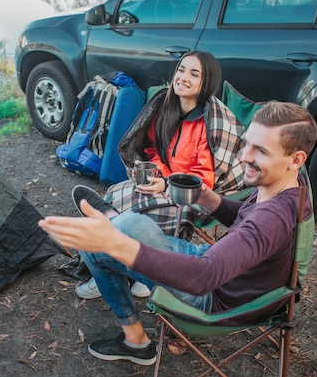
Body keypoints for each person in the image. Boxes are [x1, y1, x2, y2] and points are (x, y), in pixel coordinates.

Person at [39, 101, 317, 366]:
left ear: (296, 159)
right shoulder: (289, 183)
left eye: (261, 150)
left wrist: (116, 245)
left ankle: (135, 341)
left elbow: (203, 276)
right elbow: (243, 219)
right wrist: (209, 199)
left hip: (215, 301)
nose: (245, 156)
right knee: (134, 225)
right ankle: (116, 222)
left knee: (97, 246)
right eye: (247, 143)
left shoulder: (272, 219)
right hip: (230, 274)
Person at [75, 50, 245, 300]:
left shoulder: (207, 125)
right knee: (117, 194)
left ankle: (144, 270)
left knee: (136, 212)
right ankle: (116, 266)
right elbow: (154, 150)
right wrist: (155, 173)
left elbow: (203, 179)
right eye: (181, 70)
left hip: (190, 194)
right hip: (163, 183)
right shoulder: (166, 109)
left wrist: (165, 184)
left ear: (205, 82)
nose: (183, 77)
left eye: (194, 73)